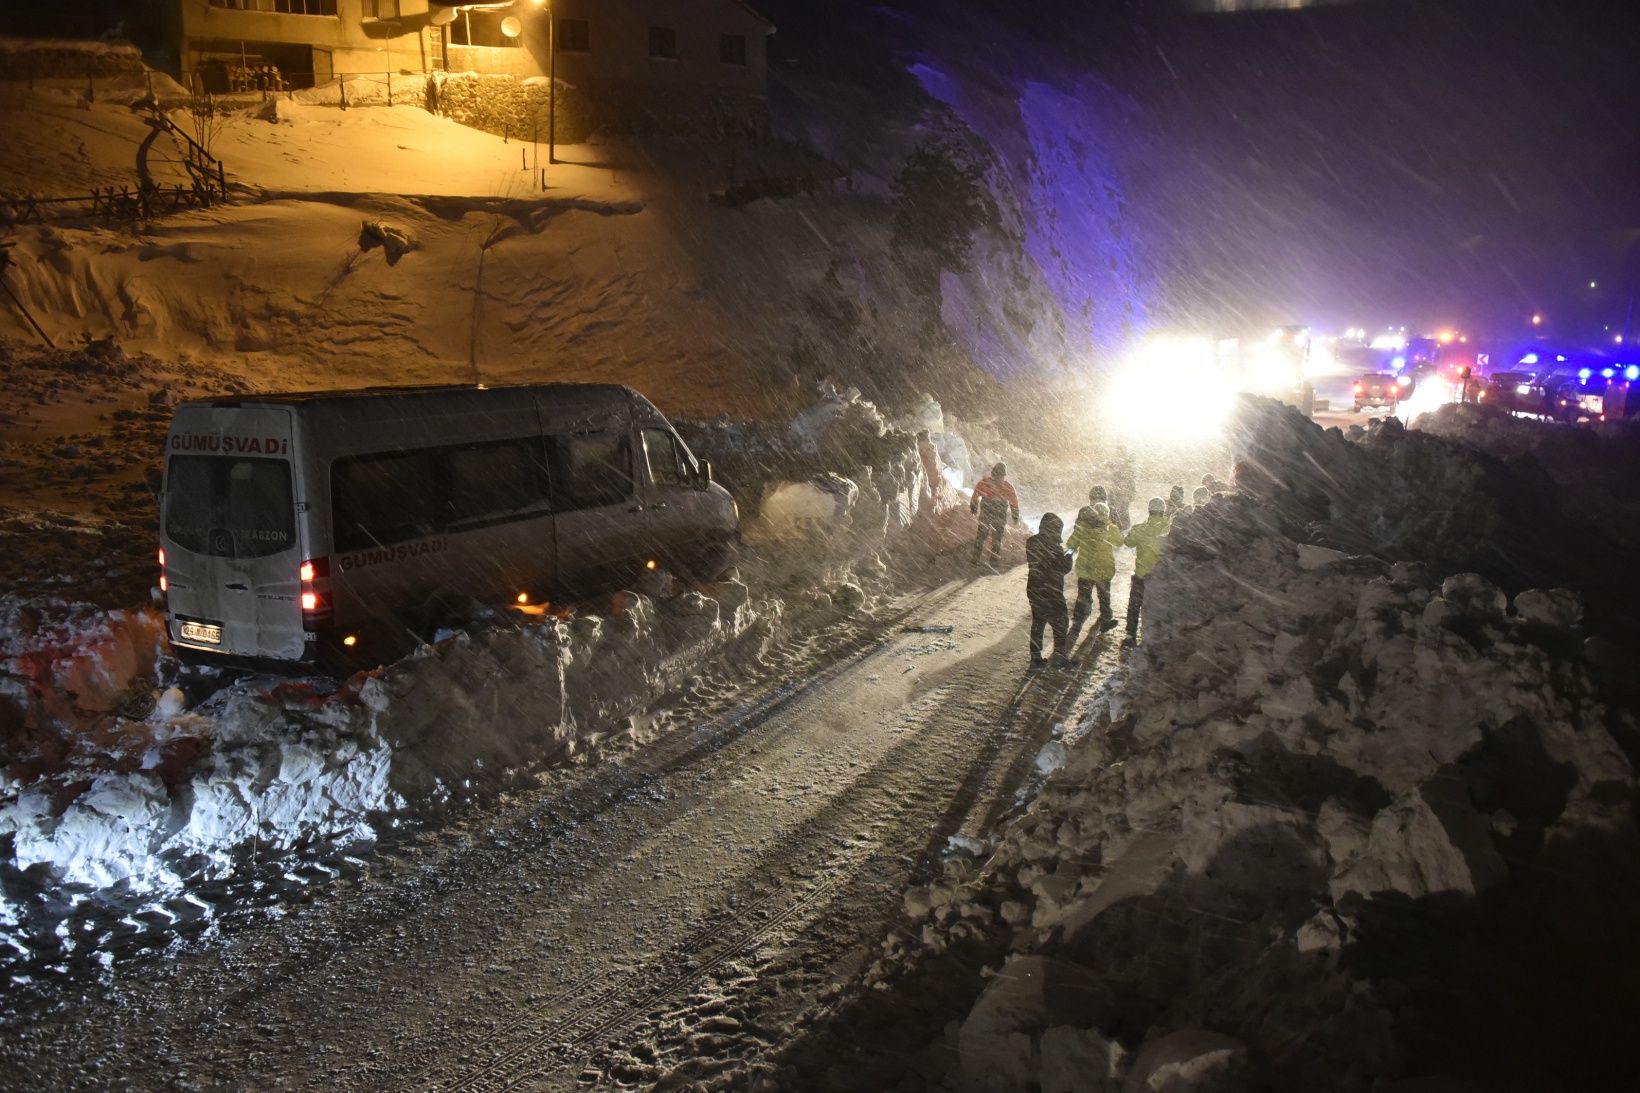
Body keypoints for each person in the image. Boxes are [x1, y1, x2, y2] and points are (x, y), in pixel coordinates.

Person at [1065, 502, 1123, 643]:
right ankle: (1105, 620)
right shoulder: (1109, 527)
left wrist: (1069, 553)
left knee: (1083, 597)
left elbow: (1071, 544)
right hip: (1103, 569)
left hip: (1086, 569)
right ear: (1106, 514)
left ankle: (1077, 624)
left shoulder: (1082, 527)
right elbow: (1120, 542)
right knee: (1104, 597)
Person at [1025, 511, 1074, 667]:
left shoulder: (1032, 542)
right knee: (1061, 621)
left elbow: (1041, 563)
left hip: (1035, 588)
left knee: (1038, 622)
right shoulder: (1056, 548)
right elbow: (1062, 568)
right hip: (1052, 589)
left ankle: (1035, 657)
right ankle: (1059, 654)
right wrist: (1070, 553)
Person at [1123, 496, 1172, 646]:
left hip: (1141, 574)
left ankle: (1130, 636)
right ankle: (1153, 637)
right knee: (1157, 607)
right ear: (1163, 511)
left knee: (1135, 606)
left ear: (1149, 510)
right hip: (1161, 575)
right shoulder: (1170, 527)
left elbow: (1128, 542)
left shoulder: (1140, 528)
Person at [969, 462, 1019, 567]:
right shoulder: (985, 482)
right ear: (993, 474)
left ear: (1004, 476)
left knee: (997, 538)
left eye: (1000, 476)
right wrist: (974, 505)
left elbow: (1014, 502)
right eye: (996, 475)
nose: (998, 478)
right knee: (982, 536)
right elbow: (976, 493)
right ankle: (975, 559)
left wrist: (1015, 514)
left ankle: (993, 560)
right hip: (989, 512)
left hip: (997, 514)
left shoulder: (1007, 486)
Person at [1109, 447, 1136, 530]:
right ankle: (1119, 529)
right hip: (1119, 493)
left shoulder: (1126, 466)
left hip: (1122, 493)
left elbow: (1130, 481)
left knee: (1123, 511)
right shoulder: (1119, 464)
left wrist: (1130, 494)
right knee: (1120, 511)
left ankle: (1121, 529)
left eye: (1120, 452)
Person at [916, 430, 943, 505]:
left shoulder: (931, 453)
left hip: (930, 484)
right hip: (927, 484)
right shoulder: (929, 454)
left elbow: (935, 472)